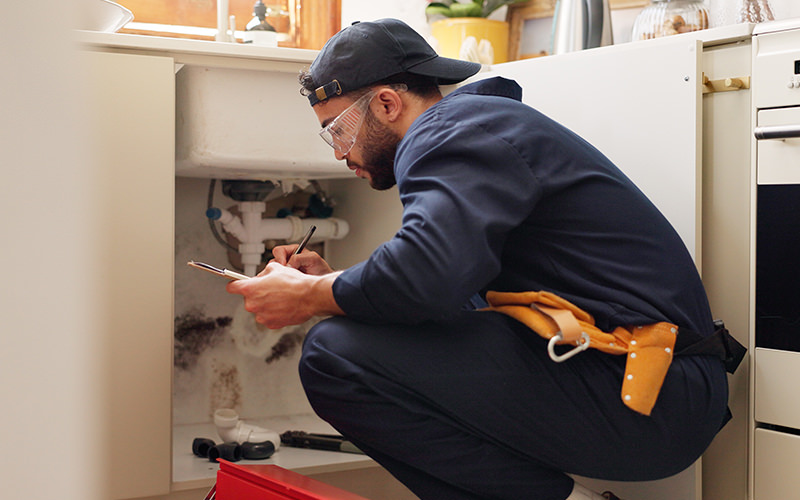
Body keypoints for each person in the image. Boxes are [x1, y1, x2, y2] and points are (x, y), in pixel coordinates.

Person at [227, 18, 731, 500]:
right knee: (371, 338)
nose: (338, 152)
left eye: (337, 130)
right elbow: (447, 289)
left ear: (384, 103)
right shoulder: (472, 130)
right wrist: (334, 283)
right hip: (649, 387)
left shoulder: (448, 133)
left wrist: (312, 296)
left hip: (651, 392)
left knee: (333, 356)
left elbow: (426, 276)